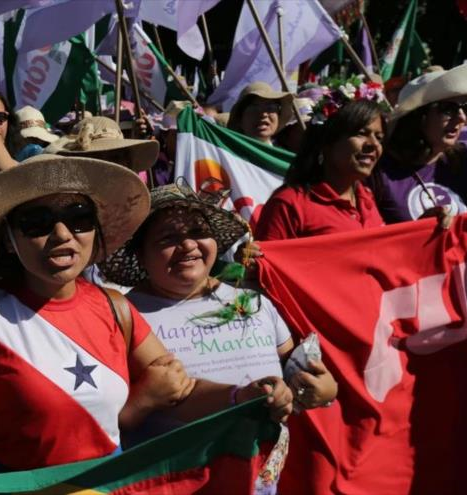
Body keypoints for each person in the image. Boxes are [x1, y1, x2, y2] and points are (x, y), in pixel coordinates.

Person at [0, 153, 273, 473]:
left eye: (79, 217)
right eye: (37, 222)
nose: (62, 234)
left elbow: (177, 391)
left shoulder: (117, 308)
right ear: (8, 239)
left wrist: (245, 395)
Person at [98, 182, 334, 492]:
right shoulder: (121, 315)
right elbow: (103, 413)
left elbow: (292, 372)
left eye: (197, 232)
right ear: (140, 255)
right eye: (168, 238)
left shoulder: (254, 301)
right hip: (173, 483)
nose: (188, 246)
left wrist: (322, 389)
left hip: (258, 481)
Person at [255, 100, 386, 240]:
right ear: (326, 143)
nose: (374, 144)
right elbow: (268, 260)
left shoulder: (366, 197)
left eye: (379, 138)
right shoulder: (289, 204)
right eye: (361, 133)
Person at [371, 63, 467, 224]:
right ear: (420, 116)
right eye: (448, 109)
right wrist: (420, 229)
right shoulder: (380, 170)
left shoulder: (463, 160)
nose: (462, 117)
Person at [46, 116, 159, 173]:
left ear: (128, 162)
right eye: (95, 158)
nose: (107, 164)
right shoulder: (65, 206)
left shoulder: (132, 204)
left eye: (115, 157)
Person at [228, 82, 295, 145]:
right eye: (254, 109)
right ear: (240, 119)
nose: (263, 114)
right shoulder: (228, 155)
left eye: (270, 108)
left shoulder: (283, 156)